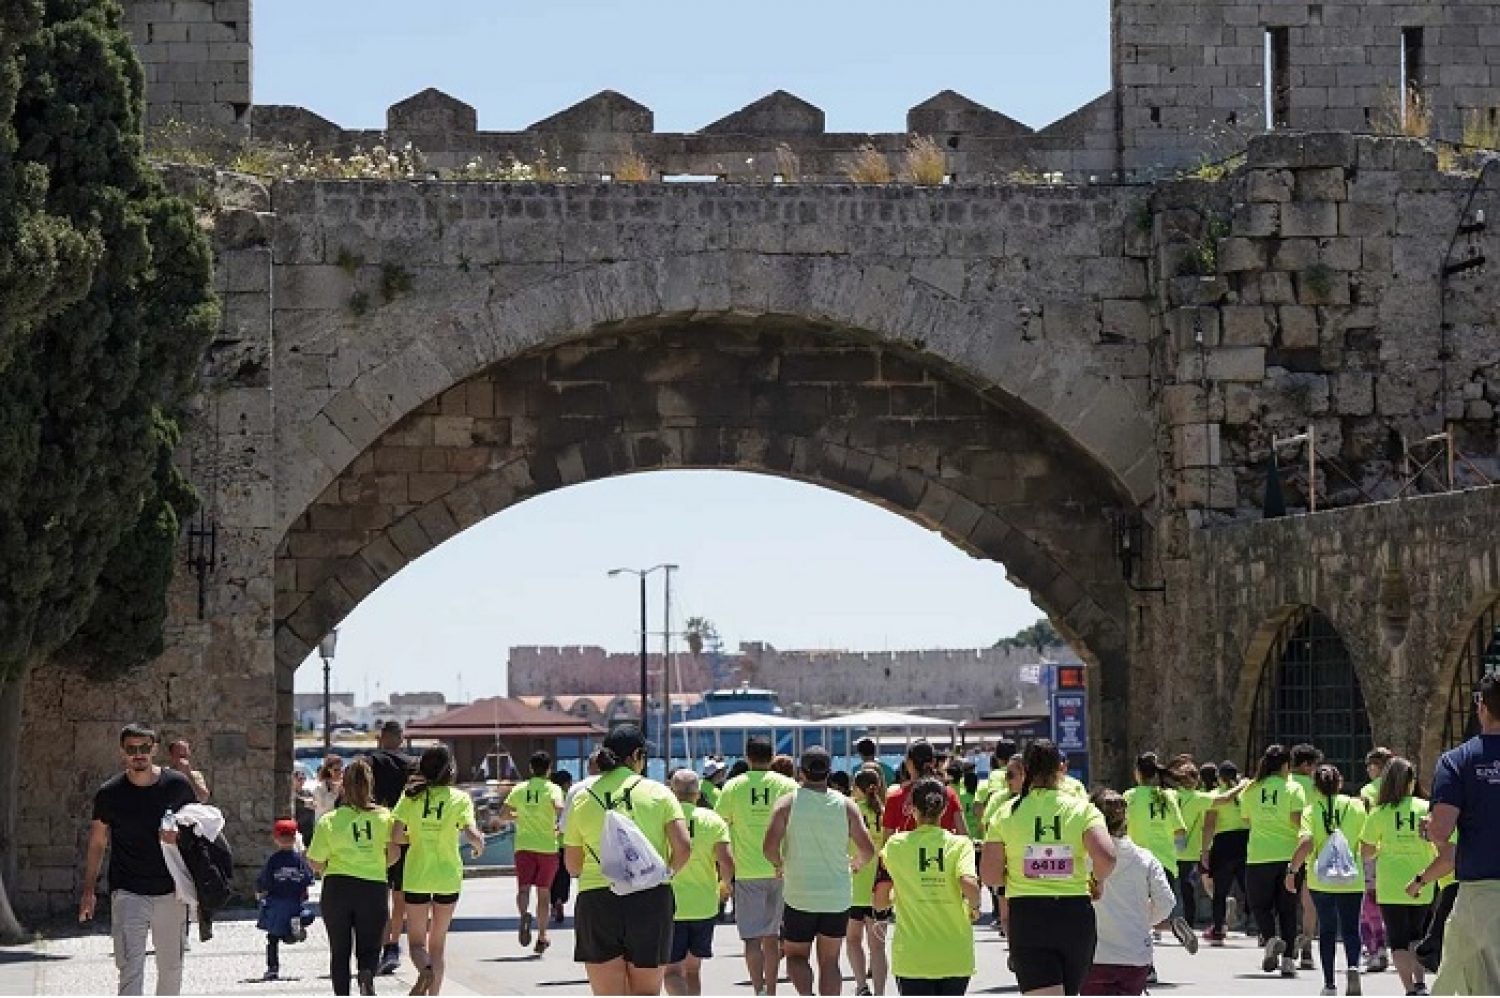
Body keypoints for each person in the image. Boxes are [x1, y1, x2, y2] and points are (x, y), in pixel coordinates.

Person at [980, 739, 1117, 996]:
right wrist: (1097, 880)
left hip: (1028, 915)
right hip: (1074, 914)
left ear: (1025, 769)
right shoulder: (1082, 809)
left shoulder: (1006, 813)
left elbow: (989, 874)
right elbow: (1107, 858)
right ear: (1061, 769)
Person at [563, 723, 691, 996]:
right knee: (646, 993)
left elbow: (573, 866)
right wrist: (666, 873)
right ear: (636, 755)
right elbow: (683, 848)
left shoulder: (582, 798)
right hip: (650, 896)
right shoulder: (659, 793)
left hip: (597, 899)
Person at [79, 723, 199, 997]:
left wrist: (179, 837)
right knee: (130, 968)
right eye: (131, 749)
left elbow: (198, 829)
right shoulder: (110, 793)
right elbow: (98, 841)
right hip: (128, 891)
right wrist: (88, 890)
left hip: (171, 891)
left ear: (154, 749)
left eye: (144, 747)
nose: (138, 754)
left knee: (171, 969)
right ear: (122, 752)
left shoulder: (177, 786)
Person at [764, 746, 877, 997]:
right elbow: (868, 850)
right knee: (830, 961)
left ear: (801, 772)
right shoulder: (846, 805)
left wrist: (780, 865)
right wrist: (856, 864)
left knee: (795, 956)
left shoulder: (786, 804)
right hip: (837, 895)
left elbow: (769, 847)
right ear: (829, 771)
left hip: (799, 893)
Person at [1416, 670, 1500, 996]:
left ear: (1481, 707)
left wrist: (1430, 831)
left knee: (1462, 980)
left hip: (1481, 891)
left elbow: (1441, 830)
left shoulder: (1457, 761)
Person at [874, 776, 981, 996]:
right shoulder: (961, 844)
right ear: (944, 809)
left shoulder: (896, 845)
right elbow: (969, 884)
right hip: (954, 954)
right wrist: (975, 907)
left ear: (912, 809)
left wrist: (893, 900)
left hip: (912, 956)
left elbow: (881, 898)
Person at [391, 745, 484, 995]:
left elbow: (396, 836)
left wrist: (416, 835)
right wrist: (478, 846)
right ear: (450, 769)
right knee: (438, 945)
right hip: (447, 876)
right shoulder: (460, 798)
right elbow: (472, 834)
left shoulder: (410, 797)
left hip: (417, 875)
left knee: (416, 944)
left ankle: (424, 970)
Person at [716, 734, 799, 996]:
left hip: (746, 871)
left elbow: (720, 825)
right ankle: (771, 990)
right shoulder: (787, 785)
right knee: (771, 937)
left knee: (751, 938)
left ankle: (758, 989)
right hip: (780, 869)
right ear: (772, 757)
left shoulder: (733, 787)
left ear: (747, 757)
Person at [307, 757, 397, 996]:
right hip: (373, 886)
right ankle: (366, 974)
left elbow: (315, 862)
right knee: (370, 946)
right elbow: (394, 854)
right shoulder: (385, 817)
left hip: (338, 887)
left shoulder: (329, 820)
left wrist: (328, 865)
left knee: (340, 951)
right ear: (370, 785)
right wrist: (375, 862)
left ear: (343, 786)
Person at [1081, 789, 1175, 996]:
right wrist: (1143, 920)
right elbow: (1166, 902)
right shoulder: (1145, 859)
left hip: (1094, 956)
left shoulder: (1082, 859)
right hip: (1135, 955)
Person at [1285, 764, 1366, 998]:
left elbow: (1306, 843)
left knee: (1327, 930)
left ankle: (1330, 983)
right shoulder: (1356, 806)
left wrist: (1292, 871)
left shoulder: (1311, 811)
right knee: (1351, 928)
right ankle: (1353, 966)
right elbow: (1366, 842)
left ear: (1316, 787)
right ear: (1340, 782)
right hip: (1351, 878)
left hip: (1321, 880)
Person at [1358, 756, 1434, 997]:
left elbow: (1366, 851)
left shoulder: (1379, 813)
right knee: (1417, 934)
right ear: (1411, 781)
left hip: (1390, 883)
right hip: (1422, 879)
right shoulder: (1426, 808)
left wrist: (1383, 849)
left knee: (1398, 939)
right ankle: (1421, 983)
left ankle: (1409, 989)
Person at [664, 769, 734, 997]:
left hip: (670, 904)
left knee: (672, 972)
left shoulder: (664, 817)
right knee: (693, 970)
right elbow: (726, 860)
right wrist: (725, 885)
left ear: (672, 791)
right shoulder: (712, 819)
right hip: (704, 904)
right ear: (697, 794)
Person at [1241, 743, 1306, 978]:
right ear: (1286, 765)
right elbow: (1298, 820)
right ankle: (1288, 960)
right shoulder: (1294, 788)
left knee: (1260, 905)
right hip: (1289, 855)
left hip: (1259, 855)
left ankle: (1270, 939)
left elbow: (1247, 819)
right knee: (1288, 908)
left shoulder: (1251, 789)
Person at [1121, 752, 1195, 954]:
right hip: (1165, 860)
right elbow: (1180, 831)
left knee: (1138, 911)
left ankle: (1148, 952)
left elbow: (1120, 826)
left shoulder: (1130, 797)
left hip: (1138, 860)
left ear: (1137, 773)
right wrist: (1176, 852)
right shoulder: (1168, 796)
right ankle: (1172, 923)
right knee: (1160, 905)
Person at [365, 720, 415, 976]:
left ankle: (381, 944)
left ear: (382, 737)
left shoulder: (371, 762)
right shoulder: (413, 765)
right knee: (400, 895)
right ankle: (393, 945)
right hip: (405, 834)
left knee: (379, 895)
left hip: (378, 833)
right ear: (401, 738)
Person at [504, 750, 566, 955]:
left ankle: (524, 914)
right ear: (549, 769)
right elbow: (559, 807)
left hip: (523, 845)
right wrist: (559, 822)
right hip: (547, 846)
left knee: (523, 889)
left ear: (531, 768)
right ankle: (542, 935)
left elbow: (503, 814)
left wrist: (521, 816)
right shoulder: (553, 788)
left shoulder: (519, 789)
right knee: (543, 893)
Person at [256, 819, 315, 982]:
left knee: (273, 938)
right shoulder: (299, 860)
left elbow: (264, 881)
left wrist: (260, 892)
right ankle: (298, 923)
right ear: (295, 838)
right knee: (307, 916)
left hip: (276, 904)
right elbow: (308, 879)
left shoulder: (273, 860)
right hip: (294, 903)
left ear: (276, 839)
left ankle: (272, 968)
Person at [848, 768, 889, 997]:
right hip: (879, 886)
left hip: (854, 885)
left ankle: (862, 986)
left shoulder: (851, 811)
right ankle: (880, 992)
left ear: (857, 788)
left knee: (853, 940)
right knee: (878, 947)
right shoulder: (885, 812)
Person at [1198, 760, 1249, 945]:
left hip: (1224, 843)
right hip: (1245, 840)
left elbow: (1209, 825)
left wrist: (1205, 850)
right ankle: (1257, 927)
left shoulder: (1215, 795)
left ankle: (1218, 928)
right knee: (1248, 888)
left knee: (1220, 890)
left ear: (1219, 778)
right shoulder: (1246, 794)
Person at [883, 741, 968, 837]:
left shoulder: (895, 798)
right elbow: (963, 833)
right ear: (933, 762)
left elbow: (887, 840)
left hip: (910, 847)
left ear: (909, 763)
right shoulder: (948, 794)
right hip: (943, 846)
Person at [1290, 743, 1325, 971]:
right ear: (1306, 765)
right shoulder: (1315, 786)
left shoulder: (1285, 783)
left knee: (1286, 903)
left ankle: (1288, 940)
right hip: (1311, 847)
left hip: (1284, 849)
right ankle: (1307, 947)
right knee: (1309, 903)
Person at [1358, 747, 1394, 975]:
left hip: (1372, 850)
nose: (1368, 770)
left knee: (1369, 901)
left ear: (1377, 766)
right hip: (1396, 851)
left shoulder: (1368, 790)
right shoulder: (1403, 789)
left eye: (1370, 765)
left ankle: (1376, 947)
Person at [550, 768, 575, 927]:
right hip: (567, 842)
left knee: (552, 876)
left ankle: (554, 903)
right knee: (564, 876)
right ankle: (561, 900)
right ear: (566, 783)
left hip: (550, 843)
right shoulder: (569, 798)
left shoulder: (551, 796)